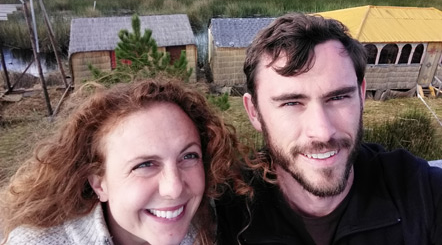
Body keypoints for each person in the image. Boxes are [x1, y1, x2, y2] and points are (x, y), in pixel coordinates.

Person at [215, 13, 442, 244]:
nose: (323, 132)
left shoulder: (422, 193)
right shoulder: (227, 212)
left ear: (362, 96)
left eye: (339, 97)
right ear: (254, 112)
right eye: (291, 103)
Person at [0, 78, 250, 245]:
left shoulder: (211, 221)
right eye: (144, 165)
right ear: (99, 182)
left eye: (189, 156)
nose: (174, 188)